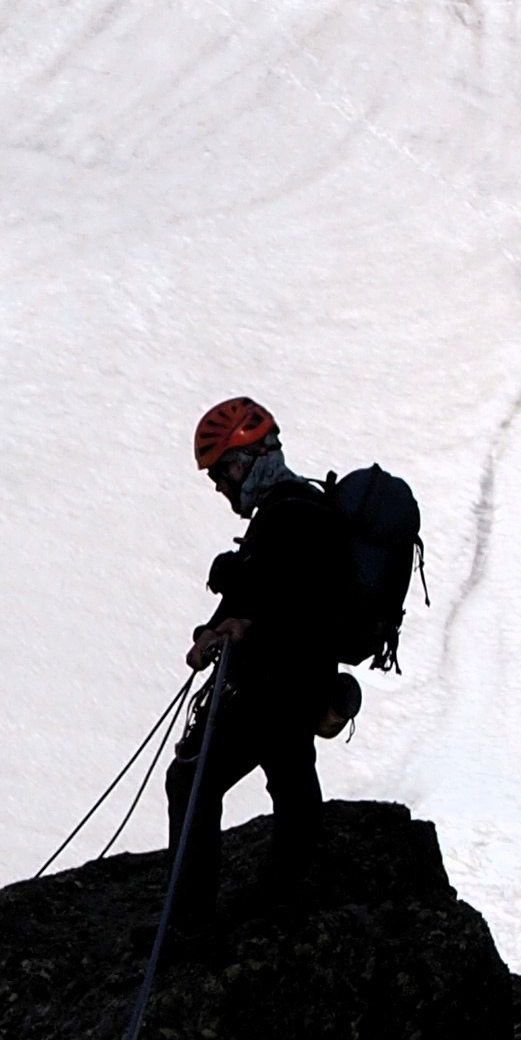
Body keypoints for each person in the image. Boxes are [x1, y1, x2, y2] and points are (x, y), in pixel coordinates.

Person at [160, 397, 347, 951]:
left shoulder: (288, 515)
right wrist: (220, 626)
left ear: (249, 457)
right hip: (301, 680)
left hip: (277, 681)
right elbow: (268, 593)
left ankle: (189, 923)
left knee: (190, 780)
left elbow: (278, 600)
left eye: (223, 471)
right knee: (291, 775)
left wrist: (236, 627)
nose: (221, 486)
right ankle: (291, 891)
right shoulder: (298, 509)